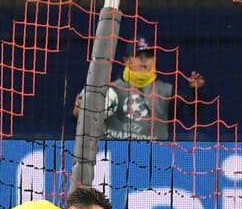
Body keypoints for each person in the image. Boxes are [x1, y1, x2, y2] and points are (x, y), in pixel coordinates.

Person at [72, 36, 207, 141]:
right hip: (113, 156)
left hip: (152, 159)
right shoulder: (107, 90)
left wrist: (197, 92)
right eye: (138, 56)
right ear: (126, 60)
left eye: (148, 56)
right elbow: (84, 123)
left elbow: (191, 111)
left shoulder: (166, 91)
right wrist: (78, 113)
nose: (144, 61)